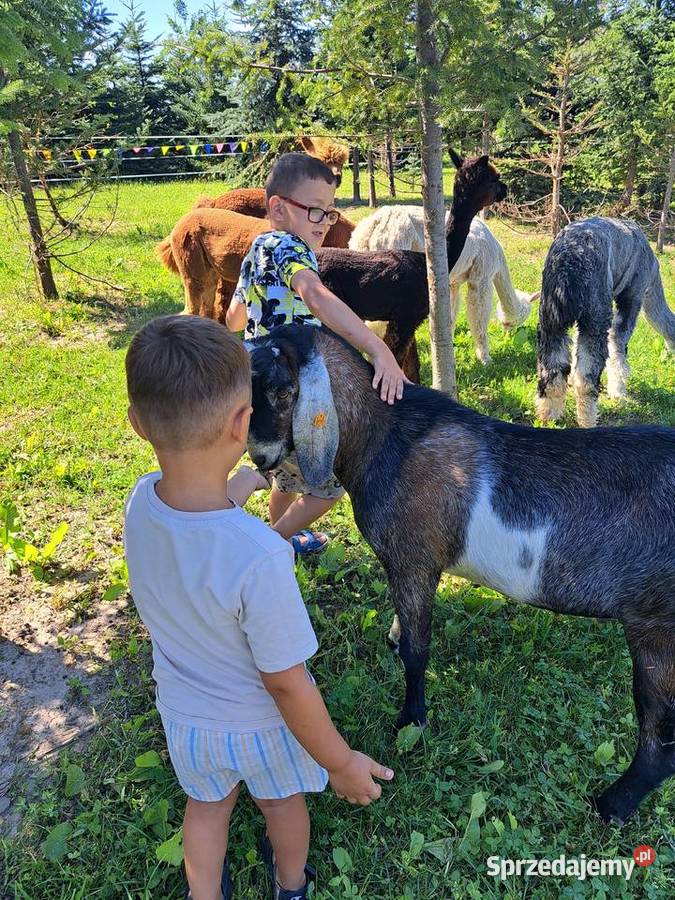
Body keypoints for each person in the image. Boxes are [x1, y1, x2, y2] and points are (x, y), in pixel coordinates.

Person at [123, 315, 394, 900]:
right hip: (261, 726)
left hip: (186, 720)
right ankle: (291, 886)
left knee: (206, 808)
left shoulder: (139, 502)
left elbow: (195, 528)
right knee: (282, 804)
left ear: (137, 423)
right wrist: (341, 762)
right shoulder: (261, 554)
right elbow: (286, 683)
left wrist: (239, 487)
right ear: (243, 423)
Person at [226, 152, 409, 555]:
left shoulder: (257, 249)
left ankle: (281, 533)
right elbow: (315, 294)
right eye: (315, 210)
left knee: (286, 474)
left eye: (329, 212)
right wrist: (378, 349)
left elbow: (234, 318)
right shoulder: (292, 247)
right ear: (278, 208)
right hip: (293, 386)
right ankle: (272, 545)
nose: (325, 222)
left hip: (256, 385)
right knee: (330, 487)